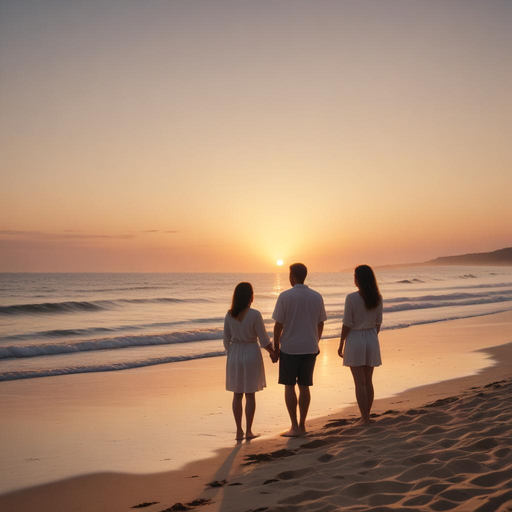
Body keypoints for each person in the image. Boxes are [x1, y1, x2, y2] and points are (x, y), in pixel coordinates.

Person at [272, 263, 327, 437]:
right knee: (304, 386)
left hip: (290, 347)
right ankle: (302, 425)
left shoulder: (285, 296)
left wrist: (276, 346)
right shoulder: (316, 296)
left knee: (289, 386)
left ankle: (294, 426)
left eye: (289, 274)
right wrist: (315, 341)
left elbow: (278, 324)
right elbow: (320, 323)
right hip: (310, 347)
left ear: (293, 276)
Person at [223, 282, 277, 440]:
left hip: (234, 353)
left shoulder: (229, 314)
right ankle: (248, 431)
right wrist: (273, 352)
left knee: (237, 394)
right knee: (250, 395)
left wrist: (233, 353)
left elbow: (226, 340)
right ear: (250, 296)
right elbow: (264, 339)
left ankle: (238, 431)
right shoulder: (254, 314)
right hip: (250, 353)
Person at [338, 265, 383, 426]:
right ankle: (367, 416)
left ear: (358, 279)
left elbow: (347, 323)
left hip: (356, 338)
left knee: (359, 382)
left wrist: (341, 342)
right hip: (371, 337)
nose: (354, 279)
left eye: (355, 276)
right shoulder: (377, 297)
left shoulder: (351, 298)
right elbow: (378, 323)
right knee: (368, 381)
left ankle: (364, 418)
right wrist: (371, 337)